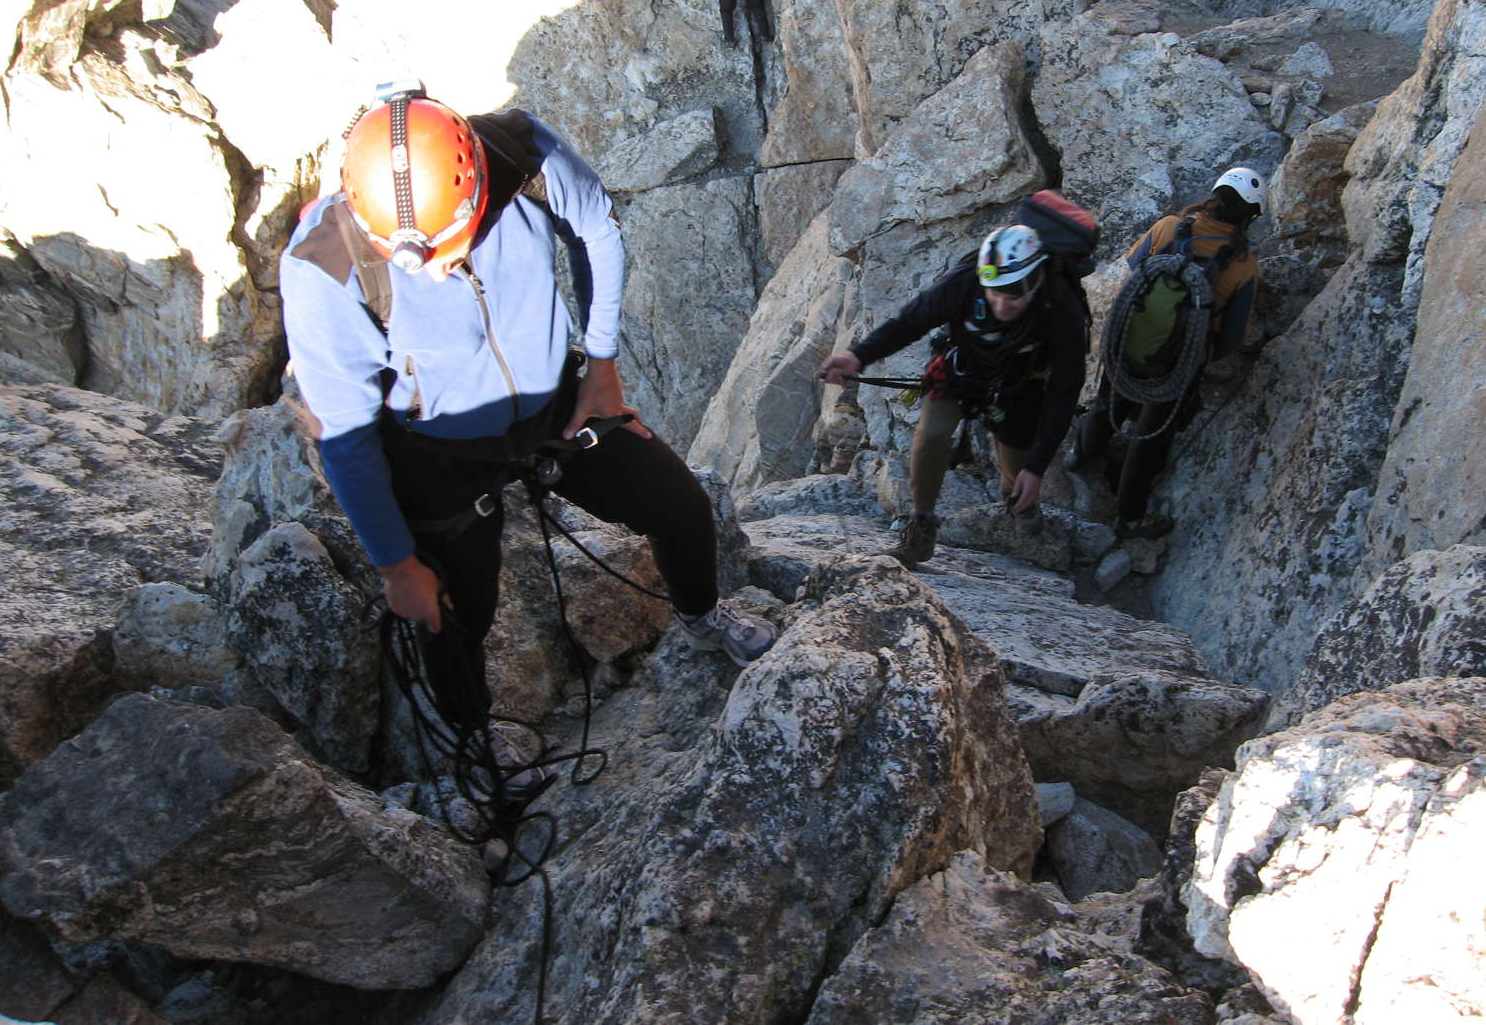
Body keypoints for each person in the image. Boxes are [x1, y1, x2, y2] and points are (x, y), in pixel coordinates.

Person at [280, 86, 776, 791]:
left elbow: (597, 229)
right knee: (451, 610)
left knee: (678, 503)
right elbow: (347, 435)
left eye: (449, 246)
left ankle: (701, 614)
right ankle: (471, 736)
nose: (436, 269)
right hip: (435, 449)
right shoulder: (323, 265)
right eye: (412, 258)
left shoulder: (518, 152)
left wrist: (601, 366)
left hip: (552, 408)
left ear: (476, 187)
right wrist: (397, 565)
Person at [816, 224, 1088, 565]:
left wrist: (1036, 468)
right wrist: (858, 356)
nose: (1001, 304)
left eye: (1012, 296)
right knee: (931, 436)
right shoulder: (963, 282)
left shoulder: (1061, 308)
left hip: (1020, 383)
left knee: (1017, 463)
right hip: (962, 370)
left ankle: (1017, 498)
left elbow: (1064, 391)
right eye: (995, 293)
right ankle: (921, 527)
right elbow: (910, 321)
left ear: (1036, 282)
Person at [1070, 167, 1264, 538]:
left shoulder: (1169, 227)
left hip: (1131, 337)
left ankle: (1079, 456)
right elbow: (1232, 336)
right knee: (1151, 437)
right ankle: (1129, 517)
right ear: (1250, 216)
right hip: (1179, 363)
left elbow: (1132, 267)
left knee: (1108, 402)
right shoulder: (1244, 265)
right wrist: (1199, 352)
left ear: (1214, 195)